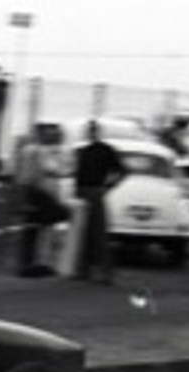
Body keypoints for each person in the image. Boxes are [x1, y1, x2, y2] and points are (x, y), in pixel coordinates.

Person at [73, 119, 126, 284]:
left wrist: (108, 187)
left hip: (95, 191)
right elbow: (78, 174)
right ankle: (84, 270)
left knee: (98, 234)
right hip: (83, 192)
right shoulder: (83, 150)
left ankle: (106, 274)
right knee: (83, 233)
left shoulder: (106, 150)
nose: (92, 133)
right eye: (90, 130)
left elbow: (122, 171)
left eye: (94, 130)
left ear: (98, 132)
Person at [14, 123, 68, 277]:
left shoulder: (39, 151)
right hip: (37, 194)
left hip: (40, 194)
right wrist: (26, 197)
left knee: (36, 231)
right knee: (33, 230)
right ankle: (29, 265)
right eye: (50, 134)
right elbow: (30, 176)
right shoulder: (34, 151)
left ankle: (32, 264)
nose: (54, 137)